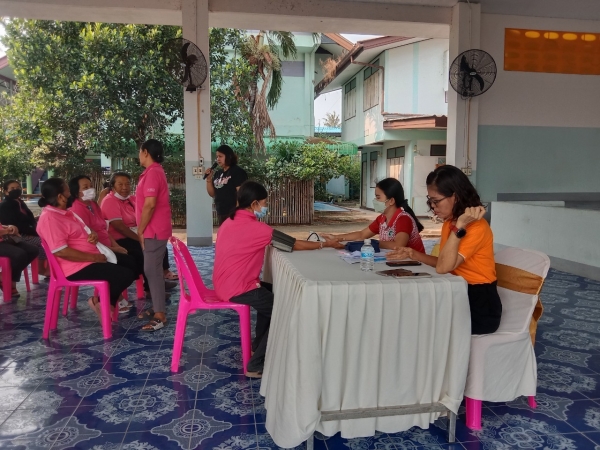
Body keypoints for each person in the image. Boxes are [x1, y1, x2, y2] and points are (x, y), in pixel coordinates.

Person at [213, 181, 343, 378]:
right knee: (284, 310)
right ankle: (256, 365)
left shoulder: (228, 222)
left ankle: (258, 346)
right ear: (254, 203)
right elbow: (293, 244)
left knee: (272, 292)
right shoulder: (256, 228)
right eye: (264, 203)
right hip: (238, 287)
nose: (265, 207)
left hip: (225, 283)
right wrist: (324, 245)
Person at [387, 165, 502, 335]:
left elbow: (443, 268)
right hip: (457, 291)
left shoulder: (476, 227)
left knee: (420, 324)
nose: (433, 207)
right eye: (430, 201)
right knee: (409, 313)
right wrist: (413, 254)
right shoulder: (450, 223)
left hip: (480, 304)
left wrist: (459, 227)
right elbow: (444, 262)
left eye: (436, 201)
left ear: (455, 196)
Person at [36, 178, 136, 317]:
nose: (71, 194)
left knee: (132, 263)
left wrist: (92, 234)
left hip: (88, 257)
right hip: (75, 267)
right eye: (68, 192)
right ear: (60, 196)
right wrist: (94, 258)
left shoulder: (66, 212)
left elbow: (84, 230)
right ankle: (102, 303)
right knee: (124, 274)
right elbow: (61, 251)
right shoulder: (50, 218)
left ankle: (105, 303)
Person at [67, 175, 142, 311]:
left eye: (90, 186)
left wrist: (116, 246)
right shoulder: (76, 209)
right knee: (128, 266)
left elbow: (104, 229)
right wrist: (111, 249)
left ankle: (111, 299)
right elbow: (87, 240)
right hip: (96, 250)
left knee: (132, 260)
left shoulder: (93, 205)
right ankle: (106, 301)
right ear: (76, 191)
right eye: (85, 187)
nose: (90, 189)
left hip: (107, 246)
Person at [100, 171, 177, 297]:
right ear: (112, 186)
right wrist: (140, 238)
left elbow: (146, 212)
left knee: (158, 243)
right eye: (120, 184)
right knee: (145, 251)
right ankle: (150, 288)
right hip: (120, 239)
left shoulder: (132, 199)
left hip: (136, 233)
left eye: (127, 184)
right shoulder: (109, 201)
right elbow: (121, 228)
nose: (125, 187)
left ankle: (160, 279)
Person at [322, 178, 425, 252]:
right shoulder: (382, 219)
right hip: (397, 260)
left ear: (391, 201)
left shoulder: (403, 219)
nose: (375, 200)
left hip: (417, 265)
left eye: (378, 197)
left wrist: (372, 242)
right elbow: (362, 235)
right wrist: (337, 237)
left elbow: (398, 245)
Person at [136, 139, 173, 331]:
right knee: (154, 270)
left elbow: (150, 205)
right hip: (154, 229)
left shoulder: (153, 173)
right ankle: (158, 307)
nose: (139, 155)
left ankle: (160, 315)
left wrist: (140, 229)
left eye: (140, 152)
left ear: (145, 152)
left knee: (151, 270)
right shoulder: (153, 172)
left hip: (153, 230)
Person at [0, 180, 48, 276]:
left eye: (18, 187)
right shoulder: (5, 206)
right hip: (16, 236)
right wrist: (31, 233)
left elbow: (27, 220)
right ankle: (42, 270)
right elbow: (13, 225)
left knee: (45, 240)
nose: (16, 190)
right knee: (44, 242)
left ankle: (45, 269)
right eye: (12, 188)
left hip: (27, 233)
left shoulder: (20, 203)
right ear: (6, 191)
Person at [204, 144, 248, 225]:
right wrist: (209, 179)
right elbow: (212, 193)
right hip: (221, 211)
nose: (218, 159)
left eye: (220, 156)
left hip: (233, 212)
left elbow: (241, 193)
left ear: (229, 156)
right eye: (217, 157)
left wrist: (237, 211)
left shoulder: (237, 172)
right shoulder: (218, 173)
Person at [0, 221, 39, 297]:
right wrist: (8, 231)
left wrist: (10, 227)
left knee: (33, 250)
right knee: (19, 254)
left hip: (4, 239)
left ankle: (7, 277)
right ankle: (10, 281)